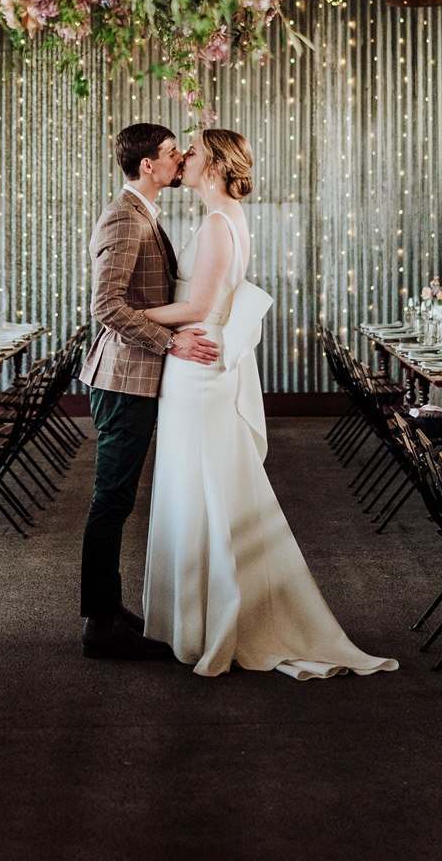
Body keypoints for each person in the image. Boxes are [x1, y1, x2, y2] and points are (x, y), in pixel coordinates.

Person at [139, 129, 396, 679]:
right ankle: (201, 616)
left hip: (198, 364)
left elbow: (201, 305)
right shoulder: (224, 216)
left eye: (192, 152)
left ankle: (214, 620)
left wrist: (127, 317)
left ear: (212, 164)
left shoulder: (215, 223)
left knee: (203, 486)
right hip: (197, 365)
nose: (182, 158)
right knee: (200, 486)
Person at [78, 122, 220, 659]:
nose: (180, 159)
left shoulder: (145, 213)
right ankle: (98, 622)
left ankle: (108, 609)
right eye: (170, 154)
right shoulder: (122, 216)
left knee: (117, 498)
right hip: (121, 380)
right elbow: (107, 307)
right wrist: (170, 343)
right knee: (111, 499)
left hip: (133, 378)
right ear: (147, 167)